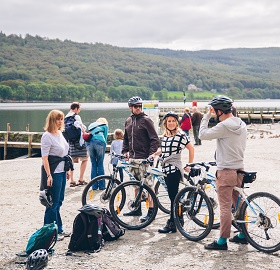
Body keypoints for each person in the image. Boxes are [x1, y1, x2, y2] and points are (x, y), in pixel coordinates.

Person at [199, 95, 247, 250]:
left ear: (218, 111)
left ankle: (221, 241)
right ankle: (242, 234)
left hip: (226, 171)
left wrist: (207, 115)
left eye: (215, 111)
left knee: (225, 207)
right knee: (238, 203)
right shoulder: (241, 123)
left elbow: (202, 135)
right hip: (240, 168)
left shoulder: (224, 126)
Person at [151, 111, 194, 233]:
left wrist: (189, 164)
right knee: (174, 197)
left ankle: (171, 223)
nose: (171, 123)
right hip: (166, 169)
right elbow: (164, 149)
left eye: (173, 121)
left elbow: (191, 149)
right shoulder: (166, 136)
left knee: (173, 198)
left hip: (174, 169)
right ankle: (179, 219)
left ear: (177, 123)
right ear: (165, 123)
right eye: (169, 121)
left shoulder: (180, 136)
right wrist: (155, 154)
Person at [122, 96, 160, 222]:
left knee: (149, 186)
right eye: (135, 106)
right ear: (130, 108)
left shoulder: (146, 120)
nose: (138, 108)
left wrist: (151, 155)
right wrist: (124, 151)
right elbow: (126, 139)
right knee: (135, 185)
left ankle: (151, 211)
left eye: (139, 106)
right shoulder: (128, 121)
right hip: (132, 158)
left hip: (144, 158)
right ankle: (137, 208)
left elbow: (155, 139)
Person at [41, 110, 73, 241]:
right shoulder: (47, 136)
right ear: (52, 120)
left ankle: (59, 228)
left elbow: (64, 153)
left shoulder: (60, 133)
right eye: (57, 119)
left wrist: (67, 170)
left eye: (62, 119)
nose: (60, 121)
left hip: (62, 170)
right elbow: (45, 158)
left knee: (59, 202)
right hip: (53, 173)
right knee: (52, 203)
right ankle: (49, 231)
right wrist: (49, 175)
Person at [65, 102, 88, 187]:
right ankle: (81, 179)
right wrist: (85, 133)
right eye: (79, 109)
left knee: (71, 161)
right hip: (79, 142)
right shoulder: (76, 116)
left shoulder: (66, 117)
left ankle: (72, 180)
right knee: (85, 159)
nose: (79, 110)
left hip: (71, 141)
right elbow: (81, 127)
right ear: (76, 108)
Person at [86, 117, 109, 190]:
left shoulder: (91, 125)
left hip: (88, 143)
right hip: (99, 142)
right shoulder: (105, 126)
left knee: (93, 164)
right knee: (100, 163)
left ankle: (94, 186)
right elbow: (105, 138)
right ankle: (102, 186)